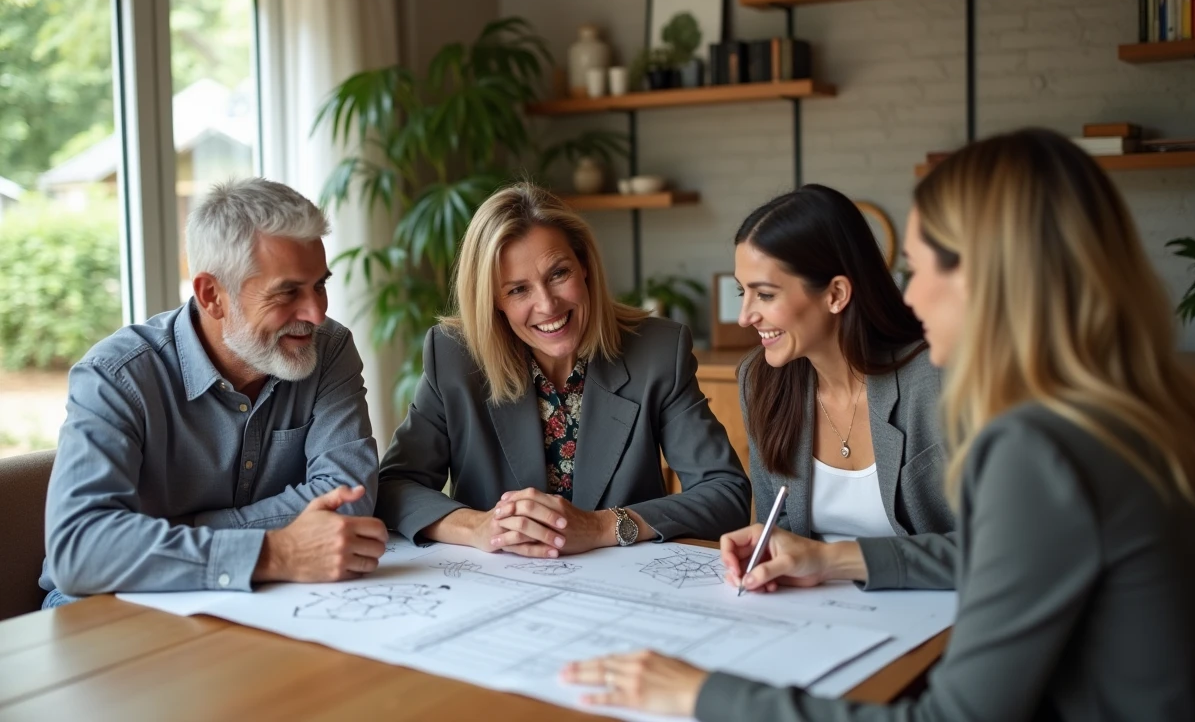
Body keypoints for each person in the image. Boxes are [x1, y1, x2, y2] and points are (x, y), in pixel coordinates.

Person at [561, 128, 1195, 719]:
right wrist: (826, 559)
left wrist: (700, 692)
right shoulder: (1127, 415)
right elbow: (995, 559)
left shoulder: (1036, 446)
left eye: (921, 269)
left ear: (992, 277)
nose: (912, 296)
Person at [41, 178, 387, 607]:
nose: (316, 313)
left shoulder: (328, 349)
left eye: (319, 285)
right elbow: (80, 551)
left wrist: (181, 531)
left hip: (266, 597)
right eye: (288, 292)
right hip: (112, 602)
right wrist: (276, 551)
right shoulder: (116, 376)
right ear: (212, 296)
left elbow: (349, 499)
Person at [375, 184, 750, 557]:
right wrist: (477, 527)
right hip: (499, 588)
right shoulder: (454, 358)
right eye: (518, 290)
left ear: (584, 265)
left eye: (558, 273)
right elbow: (394, 487)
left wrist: (602, 526)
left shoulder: (657, 352)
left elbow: (725, 494)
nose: (547, 304)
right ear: (493, 300)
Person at [734, 186, 954, 587]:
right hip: (817, 619)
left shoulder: (936, 380)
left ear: (836, 294)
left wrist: (830, 560)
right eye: (741, 291)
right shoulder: (760, 383)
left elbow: (1000, 549)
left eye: (764, 294)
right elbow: (776, 528)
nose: (745, 317)